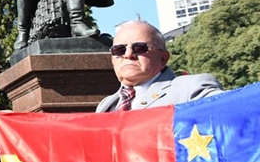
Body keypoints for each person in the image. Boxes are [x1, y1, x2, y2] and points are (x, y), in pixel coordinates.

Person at [95, 20, 223, 112]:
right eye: (119, 50)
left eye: (139, 48)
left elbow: (233, 112)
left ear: (163, 58)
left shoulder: (191, 88)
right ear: (112, 59)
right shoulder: (106, 105)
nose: (128, 54)